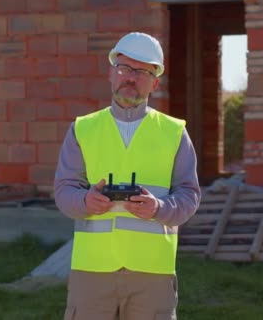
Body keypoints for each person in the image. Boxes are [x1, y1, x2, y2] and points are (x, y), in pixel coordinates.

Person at [54, 32, 201, 320]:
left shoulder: (174, 132)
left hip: (152, 273)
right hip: (92, 271)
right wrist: (86, 201)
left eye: (142, 72)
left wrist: (159, 208)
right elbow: (64, 191)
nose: (130, 78)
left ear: (155, 82)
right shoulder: (83, 129)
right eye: (124, 69)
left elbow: (190, 195)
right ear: (111, 73)